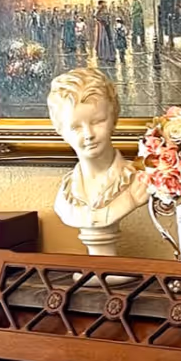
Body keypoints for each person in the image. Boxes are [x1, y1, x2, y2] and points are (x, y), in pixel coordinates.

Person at [48, 68, 148, 253]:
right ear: (60, 130)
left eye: (98, 121)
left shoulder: (138, 182)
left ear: (114, 118)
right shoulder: (64, 197)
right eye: (76, 127)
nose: (89, 135)